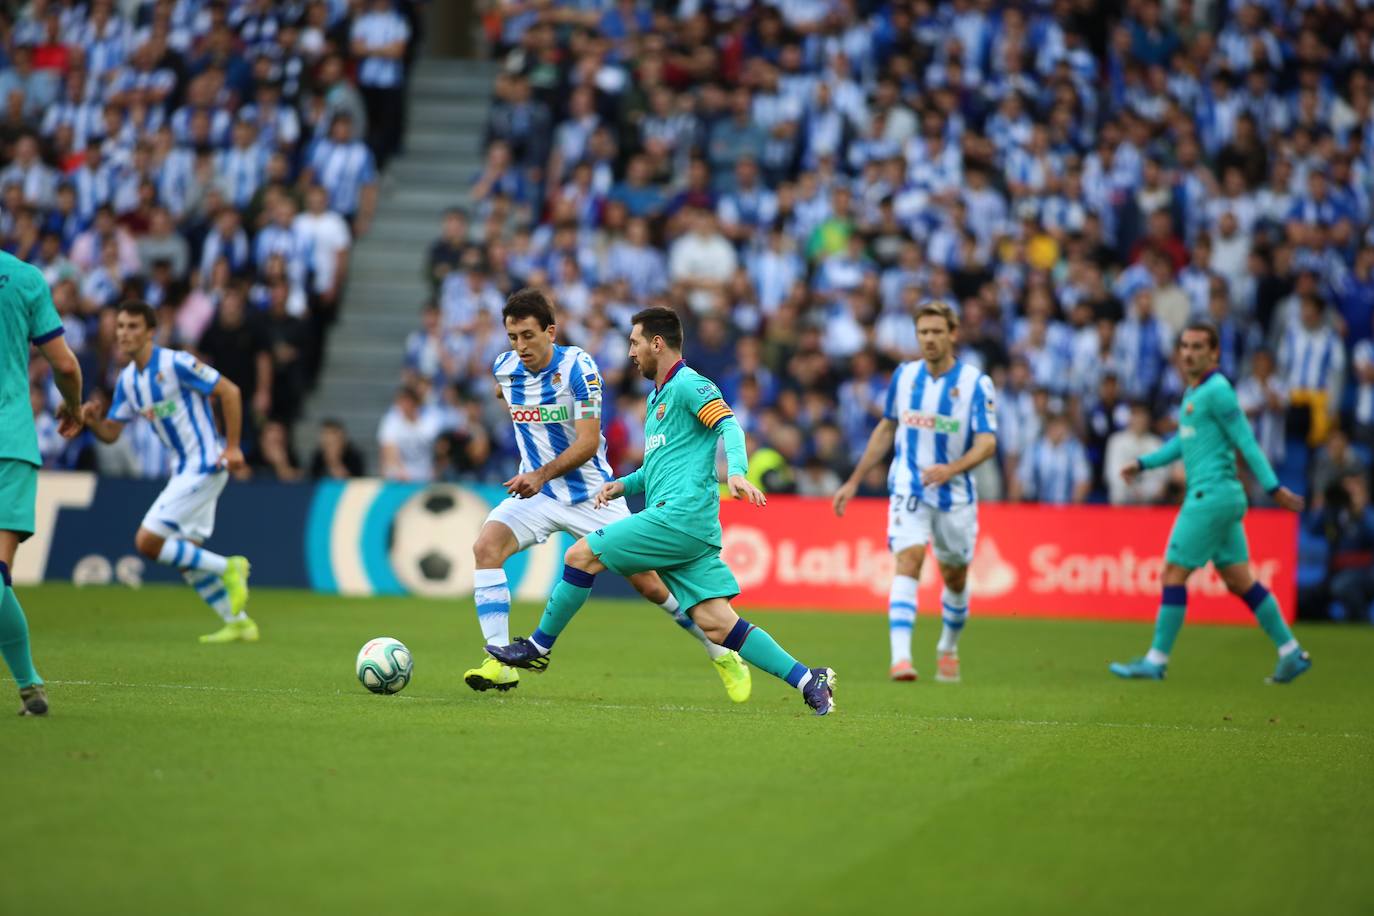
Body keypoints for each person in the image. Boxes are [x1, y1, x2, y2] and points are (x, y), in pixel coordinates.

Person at [487, 305, 836, 715]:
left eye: (634, 343)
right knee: (717, 624)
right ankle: (808, 679)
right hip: (687, 527)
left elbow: (729, 424)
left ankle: (538, 647)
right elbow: (657, 470)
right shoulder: (657, 400)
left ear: (657, 343)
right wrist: (624, 485)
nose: (630, 352)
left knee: (580, 555)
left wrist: (737, 472)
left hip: (681, 517)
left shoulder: (689, 385)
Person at [463, 290, 751, 703]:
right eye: (512, 337)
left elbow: (585, 443)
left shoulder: (579, 368)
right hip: (540, 495)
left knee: (653, 586)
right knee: (486, 547)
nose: (520, 346)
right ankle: (501, 664)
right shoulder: (506, 369)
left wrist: (539, 475)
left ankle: (721, 652)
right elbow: (506, 389)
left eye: (528, 335)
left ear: (550, 331)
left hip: (589, 494)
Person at [1111, 321, 1310, 683]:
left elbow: (1246, 441)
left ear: (1214, 353)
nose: (1189, 353)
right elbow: (1180, 444)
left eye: (1198, 347)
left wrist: (1273, 486)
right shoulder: (1194, 393)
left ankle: (1156, 661)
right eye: (1185, 346)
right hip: (1223, 498)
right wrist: (1143, 464)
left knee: (1173, 573)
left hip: (1210, 496)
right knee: (1239, 581)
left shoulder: (1218, 390)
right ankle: (1291, 652)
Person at [832, 300, 999, 684]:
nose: (929, 339)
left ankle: (947, 646)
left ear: (952, 334)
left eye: (937, 331)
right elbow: (887, 428)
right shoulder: (905, 377)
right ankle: (901, 659)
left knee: (955, 577)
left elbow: (988, 443)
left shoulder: (976, 383)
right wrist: (855, 479)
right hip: (909, 484)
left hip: (955, 493)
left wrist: (951, 469)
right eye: (923, 332)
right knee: (908, 560)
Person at [80, 301, 258, 644]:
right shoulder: (128, 381)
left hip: (205, 463)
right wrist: (92, 422)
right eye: (120, 327)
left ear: (151, 331)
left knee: (147, 542)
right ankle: (238, 622)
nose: (124, 333)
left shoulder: (176, 363)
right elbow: (112, 433)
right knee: (186, 556)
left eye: (133, 326)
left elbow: (230, 391)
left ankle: (230, 567)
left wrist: (233, 446)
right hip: (182, 470)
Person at [1, 246, 85, 715]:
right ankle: (30, 684)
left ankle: (30, 685)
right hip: (8, 441)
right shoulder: (25, 278)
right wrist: (74, 407)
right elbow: (66, 364)